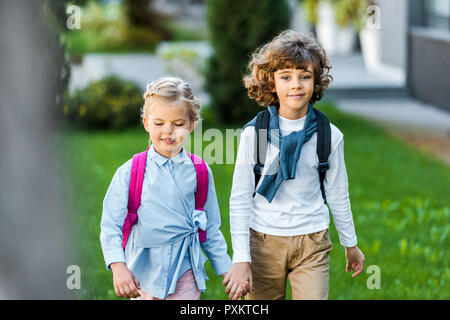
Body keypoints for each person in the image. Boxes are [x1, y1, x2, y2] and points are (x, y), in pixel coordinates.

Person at [223, 30, 365, 300]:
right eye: (286, 77)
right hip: (262, 242)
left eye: (305, 76)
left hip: (312, 242)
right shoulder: (255, 134)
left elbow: (337, 194)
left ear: (316, 82)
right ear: (272, 83)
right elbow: (240, 198)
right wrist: (241, 258)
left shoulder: (328, 135)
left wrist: (350, 243)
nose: (296, 85)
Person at [100, 77, 232, 300]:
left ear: (191, 124)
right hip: (142, 273)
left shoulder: (199, 171)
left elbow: (209, 227)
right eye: (159, 123)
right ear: (146, 123)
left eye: (178, 124)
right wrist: (118, 266)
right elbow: (111, 224)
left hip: (185, 271)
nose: (168, 131)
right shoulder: (130, 172)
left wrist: (227, 269)